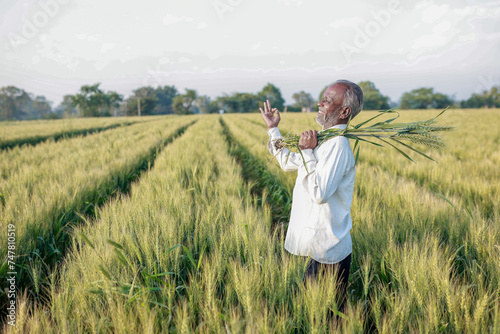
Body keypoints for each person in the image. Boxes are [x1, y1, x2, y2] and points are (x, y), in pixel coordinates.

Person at [260, 80, 363, 312]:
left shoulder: (337, 145)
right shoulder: (324, 140)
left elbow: (319, 193)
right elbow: (288, 163)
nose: (320, 103)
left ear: (344, 111)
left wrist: (307, 150)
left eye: (327, 100)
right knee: (317, 313)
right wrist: (272, 129)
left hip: (329, 251)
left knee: (320, 315)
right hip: (319, 247)